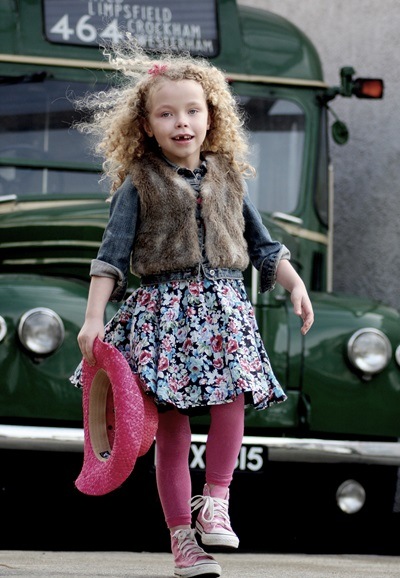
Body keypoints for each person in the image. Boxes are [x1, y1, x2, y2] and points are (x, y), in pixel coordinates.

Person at [70, 38, 314, 578]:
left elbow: (263, 245)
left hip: (225, 308)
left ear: (211, 117)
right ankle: (183, 540)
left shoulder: (229, 175)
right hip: (164, 314)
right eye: (166, 113)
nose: (181, 122)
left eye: (192, 110)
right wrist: (92, 321)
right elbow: (109, 258)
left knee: (232, 402)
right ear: (147, 125)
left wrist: (294, 285)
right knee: (173, 428)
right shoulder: (139, 182)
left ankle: (217, 500)